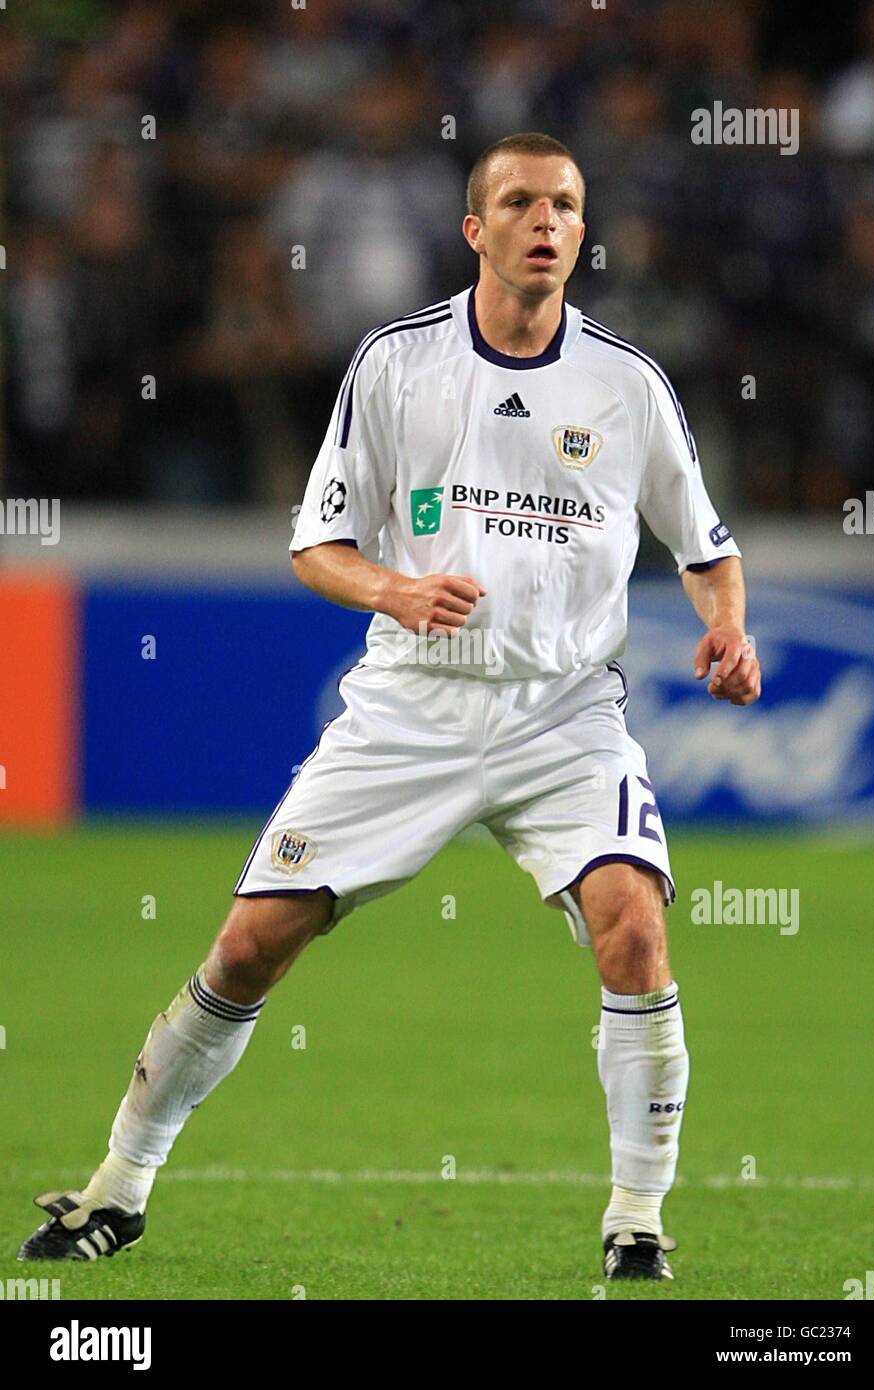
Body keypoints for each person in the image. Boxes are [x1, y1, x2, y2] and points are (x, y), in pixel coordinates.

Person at [19, 132, 761, 1282]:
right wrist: (396, 589)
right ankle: (118, 1187)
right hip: (409, 707)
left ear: (580, 228)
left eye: (564, 204)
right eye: (519, 201)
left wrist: (727, 625)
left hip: (564, 714)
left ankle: (637, 1218)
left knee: (636, 926)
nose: (545, 222)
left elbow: (703, 545)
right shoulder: (395, 364)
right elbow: (316, 544)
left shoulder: (627, 386)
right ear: (476, 229)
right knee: (248, 946)